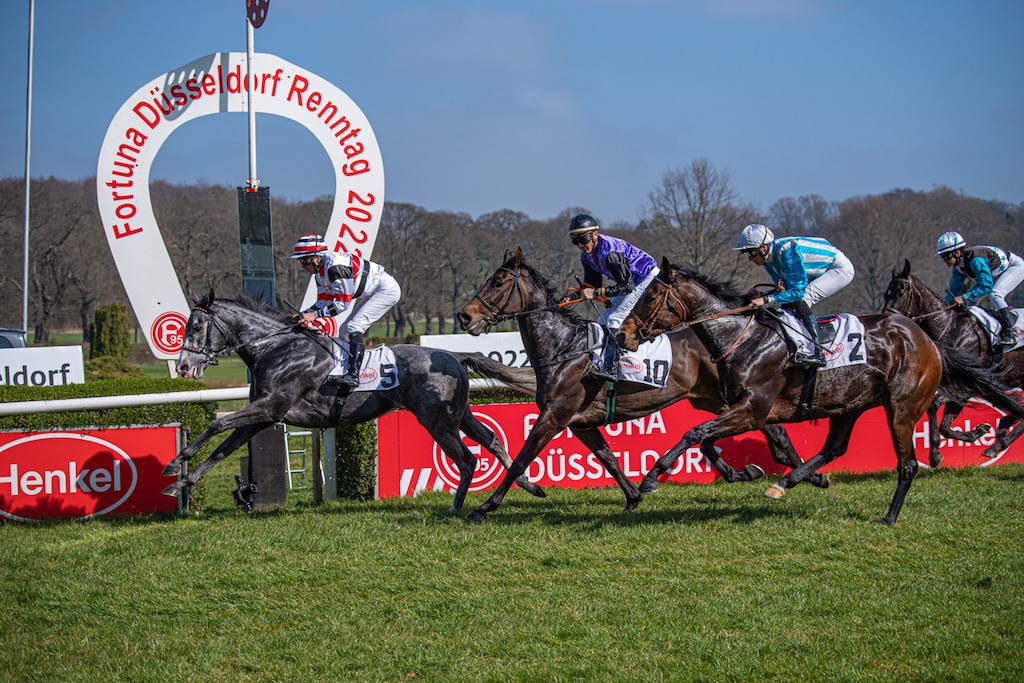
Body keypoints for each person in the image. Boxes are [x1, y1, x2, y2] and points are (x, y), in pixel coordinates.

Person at [733, 224, 855, 368]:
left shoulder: (786, 251)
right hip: (814, 271)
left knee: (800, 300)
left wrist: (765, 299)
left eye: (751, 253)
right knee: (787, 304)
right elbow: (784, 291)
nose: (750, 259)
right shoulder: (768, 263)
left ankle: (818, 352)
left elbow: (796, 292)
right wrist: (764, 295)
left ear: (764, 248)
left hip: (838, 269)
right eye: (746, 253)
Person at [558, 213, 659, 382]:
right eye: (575, 241)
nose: (580, 245)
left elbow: (627, 287)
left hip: (646, 277)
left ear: (595, 234)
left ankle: (610, 369)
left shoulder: (610, 253)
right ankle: (596, 364)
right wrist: (576, 295)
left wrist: (595, 293)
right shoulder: (586, 256)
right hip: (629, 281)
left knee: (613, 319)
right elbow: (592, 283)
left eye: (583, 239)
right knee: (601, 320)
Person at [291, 234, 401, 386]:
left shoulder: (336, 268)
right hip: (371, 292)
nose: (302, 266)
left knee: (354, 327)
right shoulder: (320, 274)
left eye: (304, 260)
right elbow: (324, 301)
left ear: (317, 258)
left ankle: (354, 374)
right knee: (344, 331)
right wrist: (305, 314)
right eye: (300, 261)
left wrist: (314, 315)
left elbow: (342, 305)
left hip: (385, 290)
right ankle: (346, 369)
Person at [935, 231, 1024, 348]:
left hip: (1014, 267)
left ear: (957, 252)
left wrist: (964, 297)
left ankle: (1010, 333)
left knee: (996, 294)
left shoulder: (975, 260)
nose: (944, 260)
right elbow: (954, 290)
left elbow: (987, 286)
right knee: (972, 302)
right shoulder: (957, 268)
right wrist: (942, 306)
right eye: (942, 256)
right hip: (995, 274)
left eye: (946, 256)